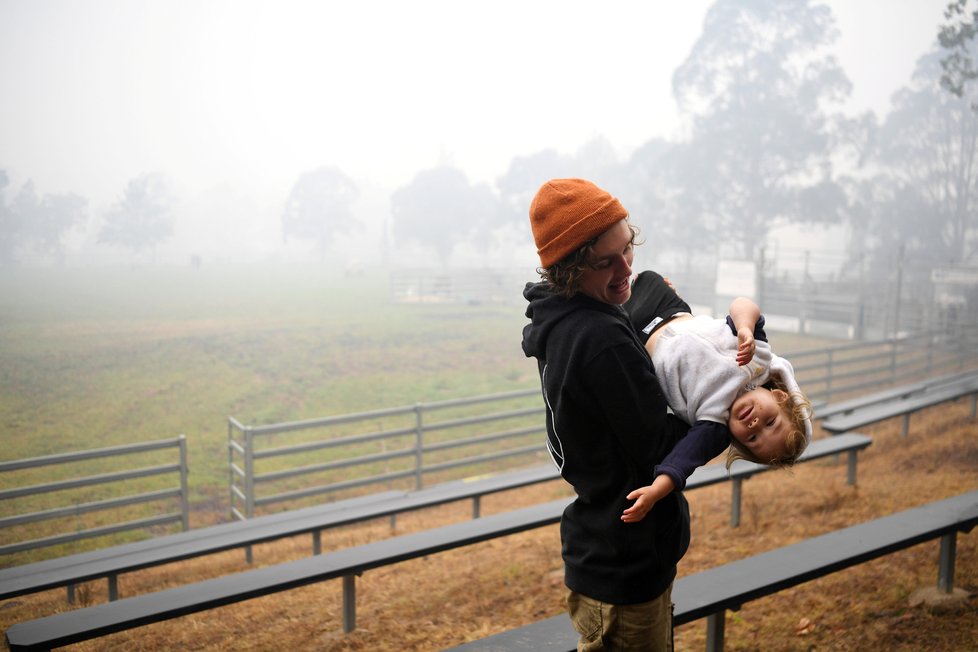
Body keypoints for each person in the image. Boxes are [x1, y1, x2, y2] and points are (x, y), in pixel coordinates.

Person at [521, 178, 692, 651]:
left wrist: (654, 300)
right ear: (571, 269)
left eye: (627, 249)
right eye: (606, 261)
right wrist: (717, 407)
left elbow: (617, 319)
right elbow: (662, 445)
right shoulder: (599, 342)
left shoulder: (563, 317)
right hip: (627, 567)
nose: (625, 268)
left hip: (606, 550)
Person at [620, 271, 814, 524]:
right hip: (669, 309)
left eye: (753, 439)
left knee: (600, 311)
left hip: (638, 336)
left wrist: (656, 491)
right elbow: (743, 305)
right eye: (771, 422)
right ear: (778, 396)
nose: (755, 425)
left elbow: (683, 462)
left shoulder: (714, 425)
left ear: (737, 439)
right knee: (645, 277)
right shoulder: (759, 358)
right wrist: (745, 327)